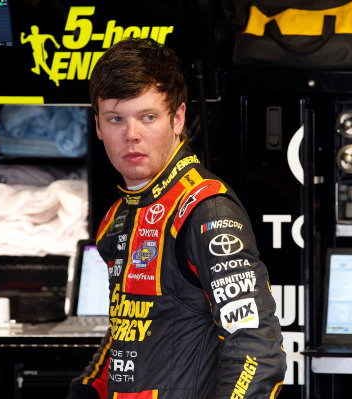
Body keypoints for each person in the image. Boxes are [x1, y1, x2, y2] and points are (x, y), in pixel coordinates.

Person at [67, 38, 286, 399]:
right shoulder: (120, 214)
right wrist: (89, 388)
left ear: (178, 118)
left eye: (148, 117)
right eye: (116, 118)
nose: (131, 135)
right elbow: (126, 329)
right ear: (98, 126)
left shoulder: (206, 210)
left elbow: (256, 350)